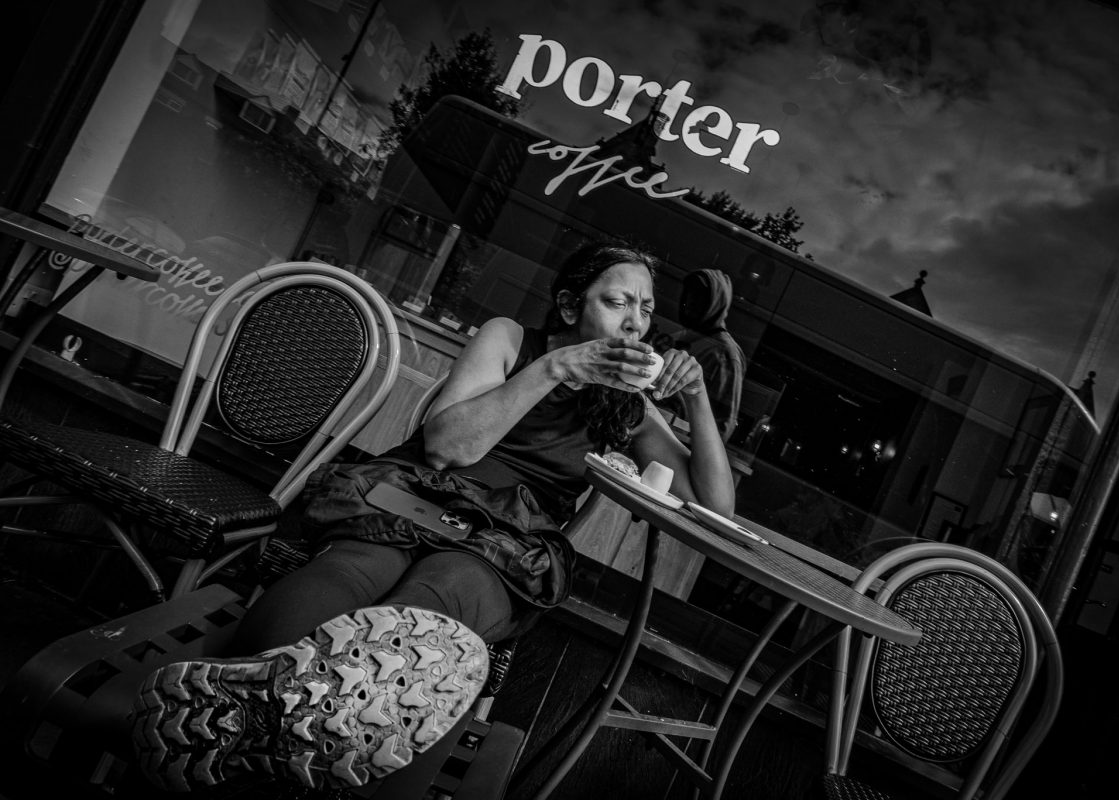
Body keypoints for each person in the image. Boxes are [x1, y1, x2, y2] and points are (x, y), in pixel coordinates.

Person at [129, 240, 735, 793]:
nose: (635, 323)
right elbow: (449, 449)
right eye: (617, 302)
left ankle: (243, 714)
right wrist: (554, 368)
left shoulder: (622, 401)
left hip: (504, 544)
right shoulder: (510, 340)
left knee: (434, 609)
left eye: (647, 310)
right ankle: (282, 730)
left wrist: (697, 398)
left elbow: (713, 507)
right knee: (354, 570)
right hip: (420, 496)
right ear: (571, 305)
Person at [660, 268, 746, 442]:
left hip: (676, 446)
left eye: (700, 297)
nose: (690, 301)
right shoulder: (681, 337)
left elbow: (721, 426)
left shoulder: (725, 353)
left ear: (716, 302)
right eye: (689, 294)